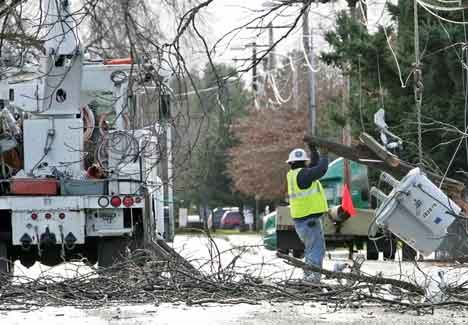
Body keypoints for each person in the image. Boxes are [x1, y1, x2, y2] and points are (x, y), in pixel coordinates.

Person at [286, 143, 328, 282]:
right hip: (309, 222)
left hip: (302, 222)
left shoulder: (294, 175)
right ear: (304, 162)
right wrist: (325, 154)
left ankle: (308, 278)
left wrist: (314, 150)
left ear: (290, 163)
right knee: (316, 251)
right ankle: (312, 280)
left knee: (311, 250)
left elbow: (314, 167)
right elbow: (320, 169)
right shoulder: (304, 175)